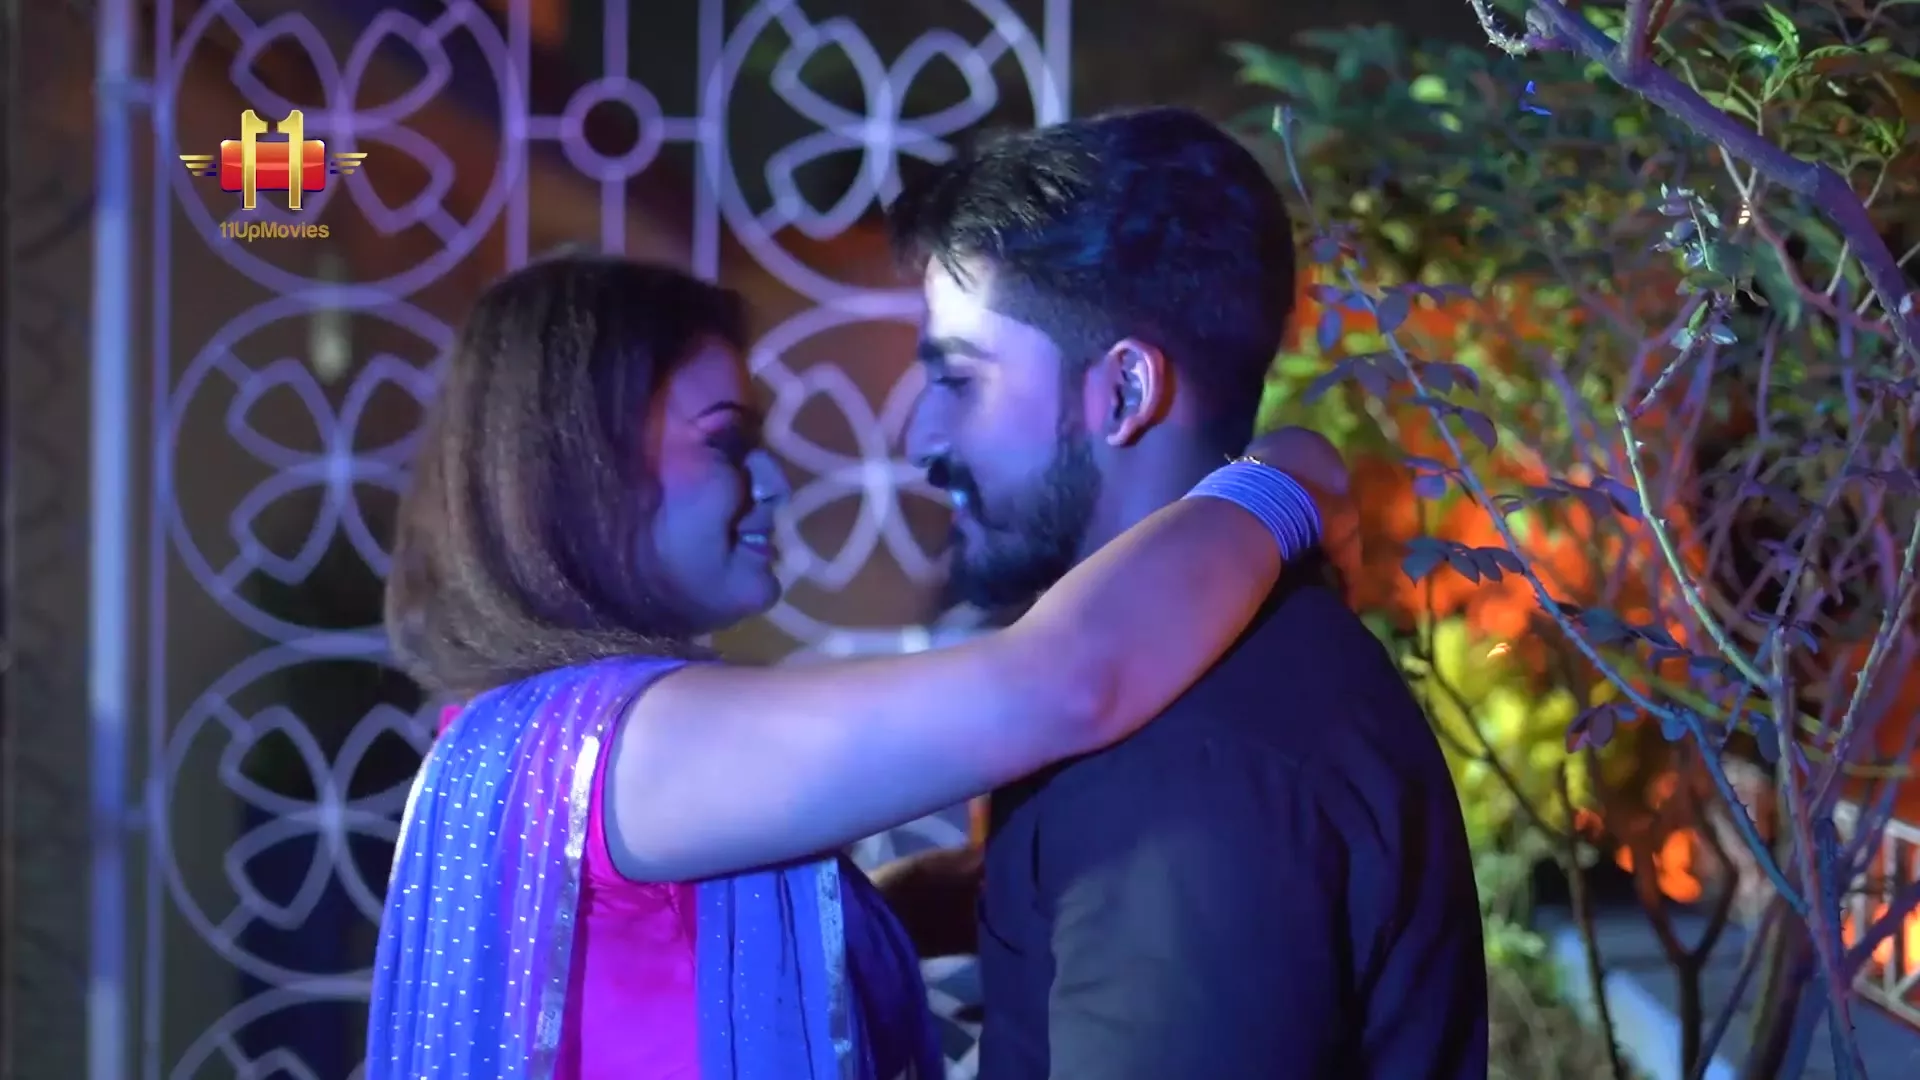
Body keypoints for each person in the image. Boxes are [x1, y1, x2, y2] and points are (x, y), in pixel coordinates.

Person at [365, 254, 1342, 1080]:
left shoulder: (522, 739)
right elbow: (1064, 681)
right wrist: (1285, 482)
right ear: (581, 466)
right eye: (726, 442)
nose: (772, 481)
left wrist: (931, 901)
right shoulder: (622, 744)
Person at [880, 106, 1488, 1079]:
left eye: (959, 379)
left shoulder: (1183, 758)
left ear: (1124, 392)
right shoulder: (1213, 678)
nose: (923, 441)